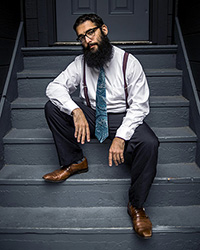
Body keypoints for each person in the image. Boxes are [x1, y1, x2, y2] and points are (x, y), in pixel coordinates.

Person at [43, 13, 159, 239]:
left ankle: (136, 205)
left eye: (90, 32)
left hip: (122, 116)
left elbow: (140, 106)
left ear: (103, 30)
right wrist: (75, 110)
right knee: (53, 106)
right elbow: (54, 87)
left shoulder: (129, 62)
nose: (87, 40)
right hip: (92, 114)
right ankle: (75, 161)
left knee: (149, 143)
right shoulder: (80, 63)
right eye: (81, 37)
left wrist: (121, 137)